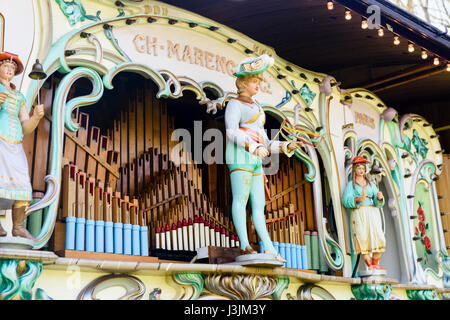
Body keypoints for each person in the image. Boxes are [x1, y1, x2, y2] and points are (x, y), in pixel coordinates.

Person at [225, 54, 298, 263]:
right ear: (243, 83)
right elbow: (231, 132)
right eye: (255, 81)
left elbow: (266, 141)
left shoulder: (257, 108)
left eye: (258, 81)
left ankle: (268, 247)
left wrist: (284, 146)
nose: (258, 85)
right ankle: (245, 245)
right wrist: (253, 146)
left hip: (255, 157)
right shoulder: (234, 105)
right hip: (241, 155)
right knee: (241, 199)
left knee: (259, 205)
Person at [0, 51, 44, 241]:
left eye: (12, 67)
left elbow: (25, 126)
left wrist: (35, 117)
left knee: (22, 183)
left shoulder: (18, 96)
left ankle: (18, 227)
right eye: (5, 66)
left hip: (15, 143)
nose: (9, 69)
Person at [342, 156, 386, 270]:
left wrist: (379, 198)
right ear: (354, 170)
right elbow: (345, 200)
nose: (361, 171)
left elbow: (377, 200)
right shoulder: (351, 185)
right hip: (359, 213)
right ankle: (369, 264)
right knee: (363, 238)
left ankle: (376, 263)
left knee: (379, 237)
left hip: (372, 212)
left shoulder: (371, 184)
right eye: (359, 168)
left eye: (363, 168)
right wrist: (356, 200)